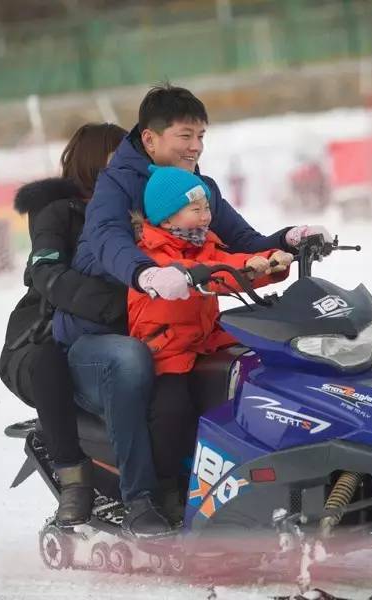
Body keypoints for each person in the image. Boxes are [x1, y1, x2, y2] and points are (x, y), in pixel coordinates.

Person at [52, 83, 330, 536]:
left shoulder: (196, 188)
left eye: (201, 135)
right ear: (150, 139)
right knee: (131, 361)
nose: (196, 146)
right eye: (185, 135)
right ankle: (142, 498)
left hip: (176, 325)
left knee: (256, 355)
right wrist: (145, 274)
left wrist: (286, 243)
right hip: (100, 330)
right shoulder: (118, 185)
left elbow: (241, 246)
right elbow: (106, 239)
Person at [128, 165, 292, 522]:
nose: (206, 214)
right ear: (167, 217)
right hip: (167, 349)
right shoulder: (155, 255)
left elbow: (223, 263)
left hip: (203, 340)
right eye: (196, 208)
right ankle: (169, 487)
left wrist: (265, 263)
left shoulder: (202, 242)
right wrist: (245, 268)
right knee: (172, 411)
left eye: (207, 206)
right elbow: (208, 274)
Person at [0, 123, 128, 527]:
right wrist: (115, 308)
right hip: (40, 332)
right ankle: (74, 482)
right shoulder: (57, 210)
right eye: (118, 156)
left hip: (106, 328)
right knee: (50, 365)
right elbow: (47, 274)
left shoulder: (134, 205)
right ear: (93, 162)